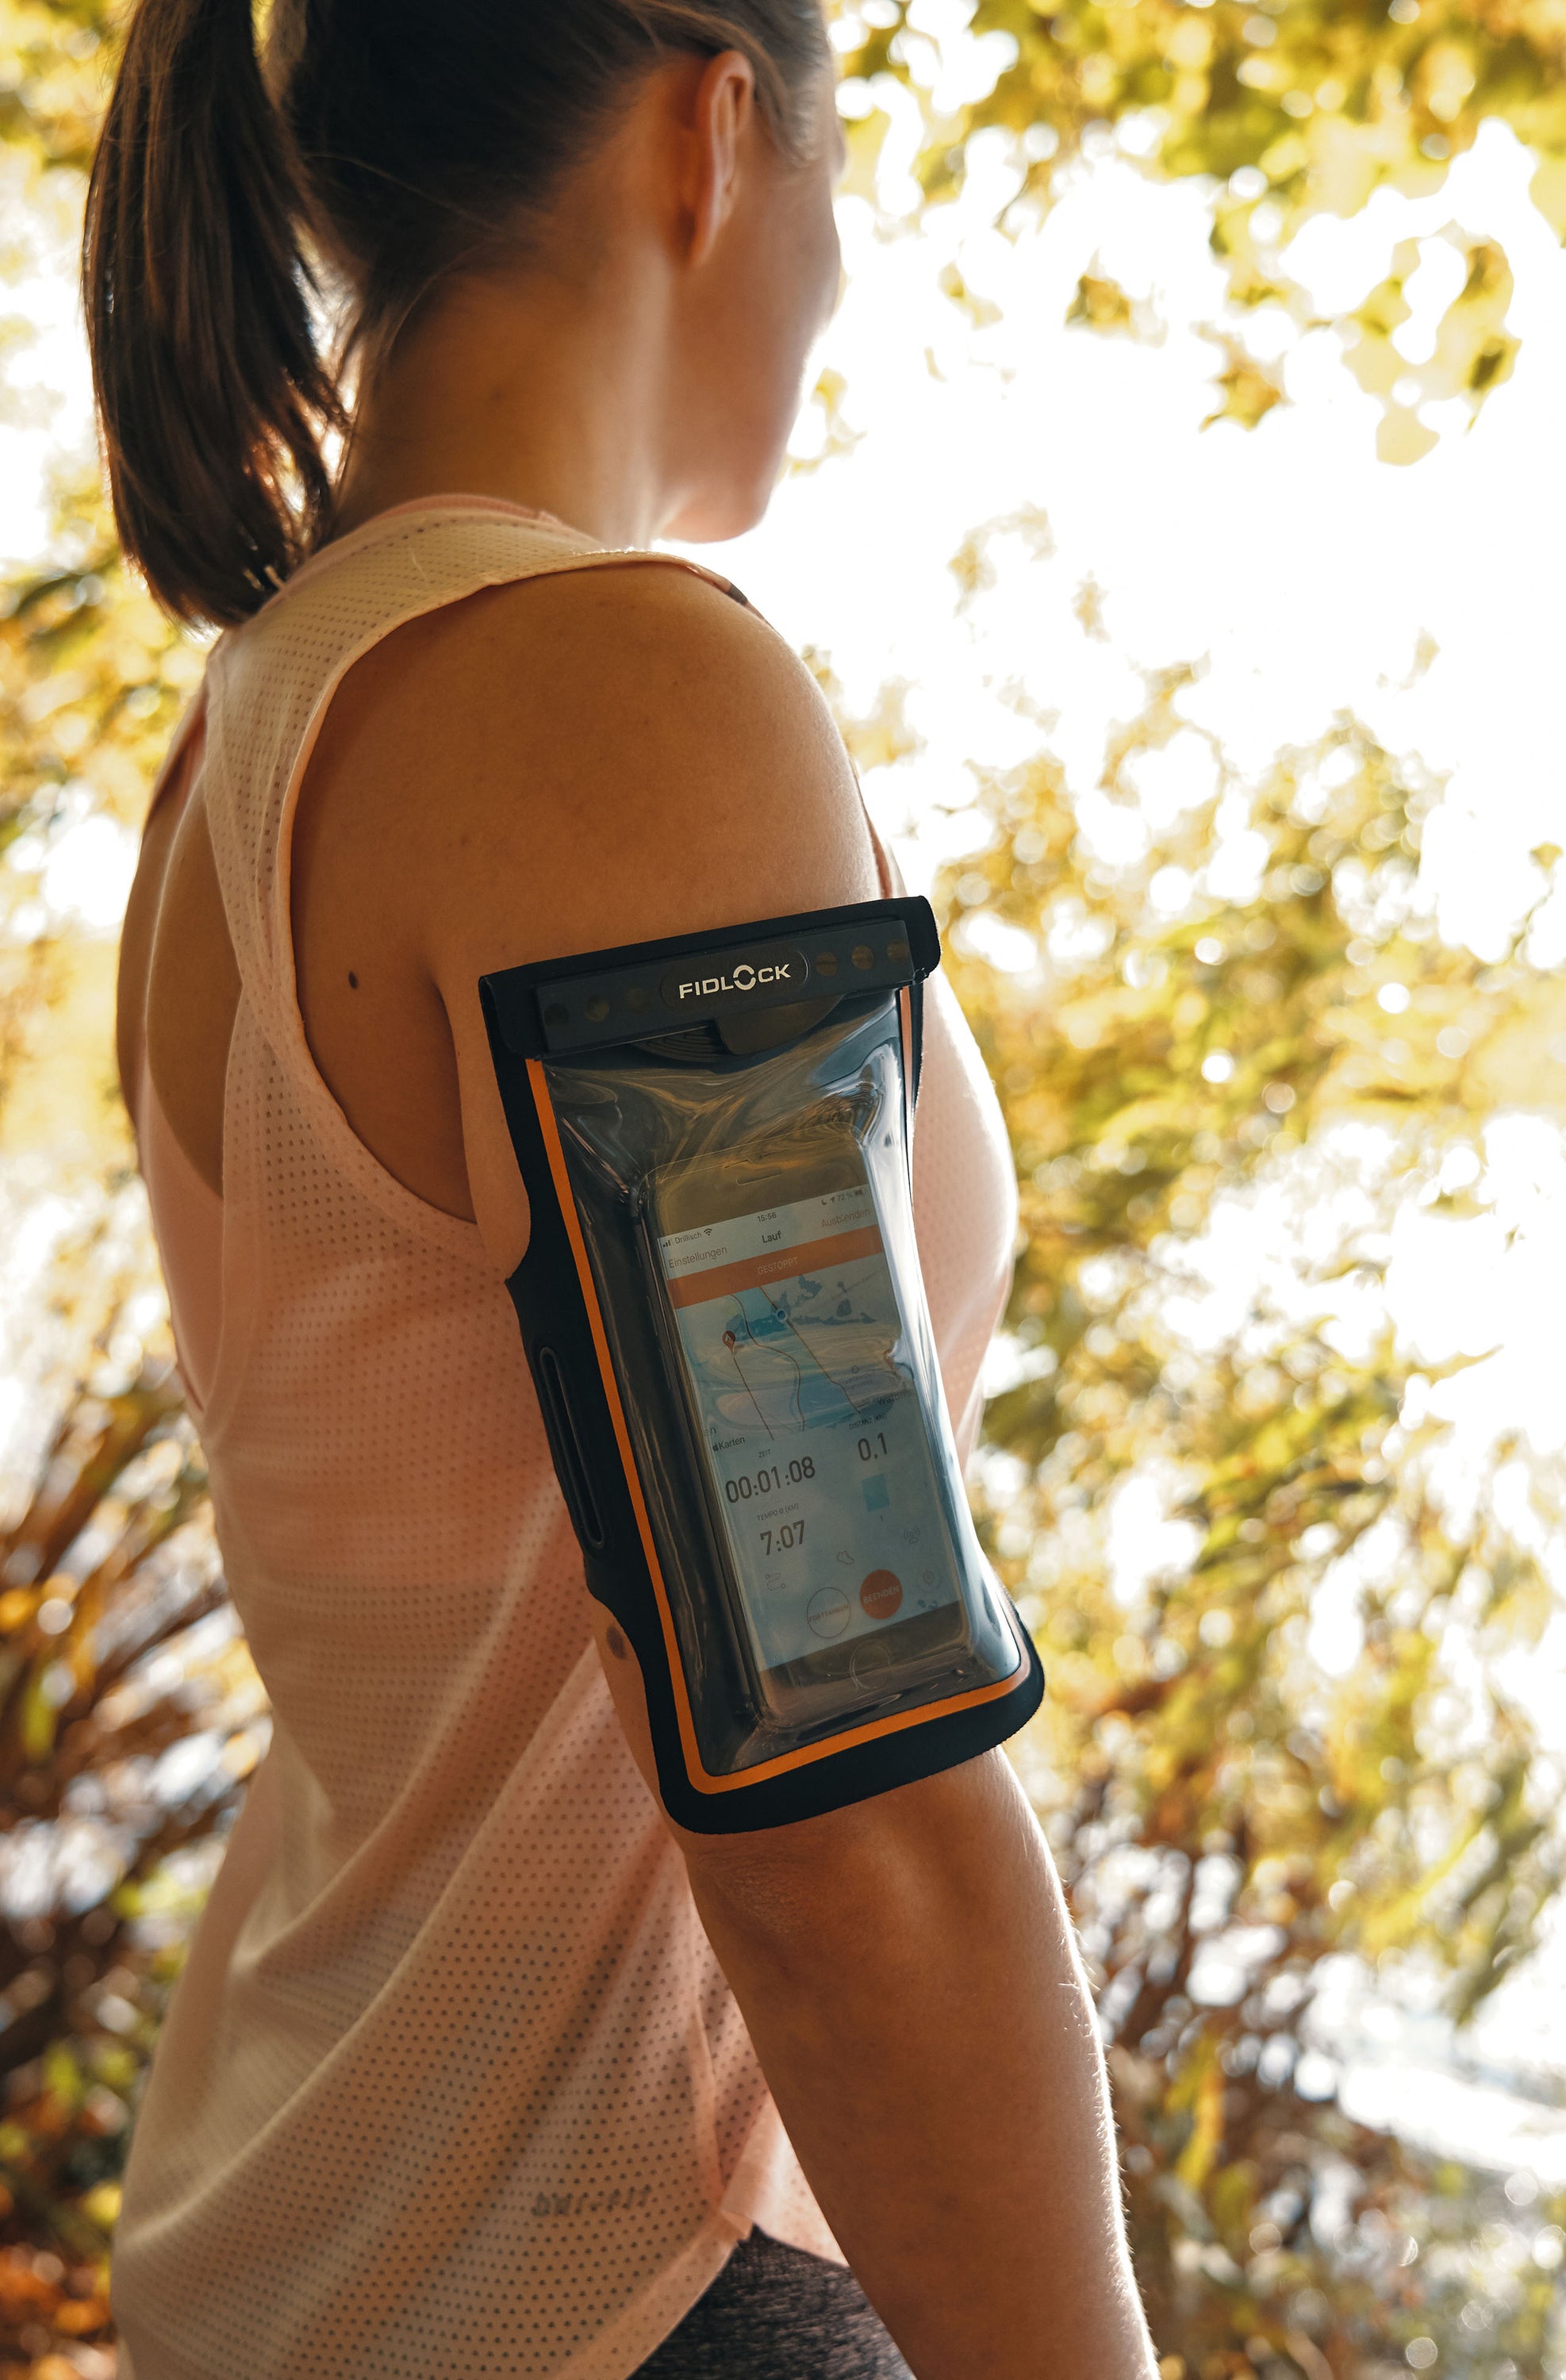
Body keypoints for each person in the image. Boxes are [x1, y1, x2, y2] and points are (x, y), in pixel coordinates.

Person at [88, 2, 1157, 2374]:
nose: (842, 268)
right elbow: (834, 1803)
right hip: (628, 2299)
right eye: (846, 183)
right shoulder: (601, 704)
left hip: (314, 2229)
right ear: (717, 127)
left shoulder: (261, 722)